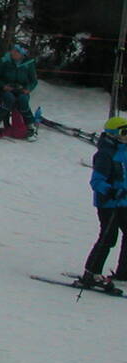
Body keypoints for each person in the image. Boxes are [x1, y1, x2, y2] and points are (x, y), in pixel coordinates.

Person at [80, 116, 127, 292]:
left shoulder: (124, 150)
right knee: (108, 237)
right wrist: (111, 191)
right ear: (114, 134)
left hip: (124, 202)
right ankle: (91, 273)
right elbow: (96, 181)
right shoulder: (105, 154)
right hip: (108, 203)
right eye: (124, 132)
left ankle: (124, 272)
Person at [0, 42, 38, 137]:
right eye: (13, 50)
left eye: (17, 52)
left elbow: (33, 81)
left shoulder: (28, 64)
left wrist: (28, 89)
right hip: (5, 89)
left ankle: (31, 126)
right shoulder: (5, 61)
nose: (13, 53)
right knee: (9, 99)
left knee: (23, 100)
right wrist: (3, 86)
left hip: (21, 89)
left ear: (22, 54)